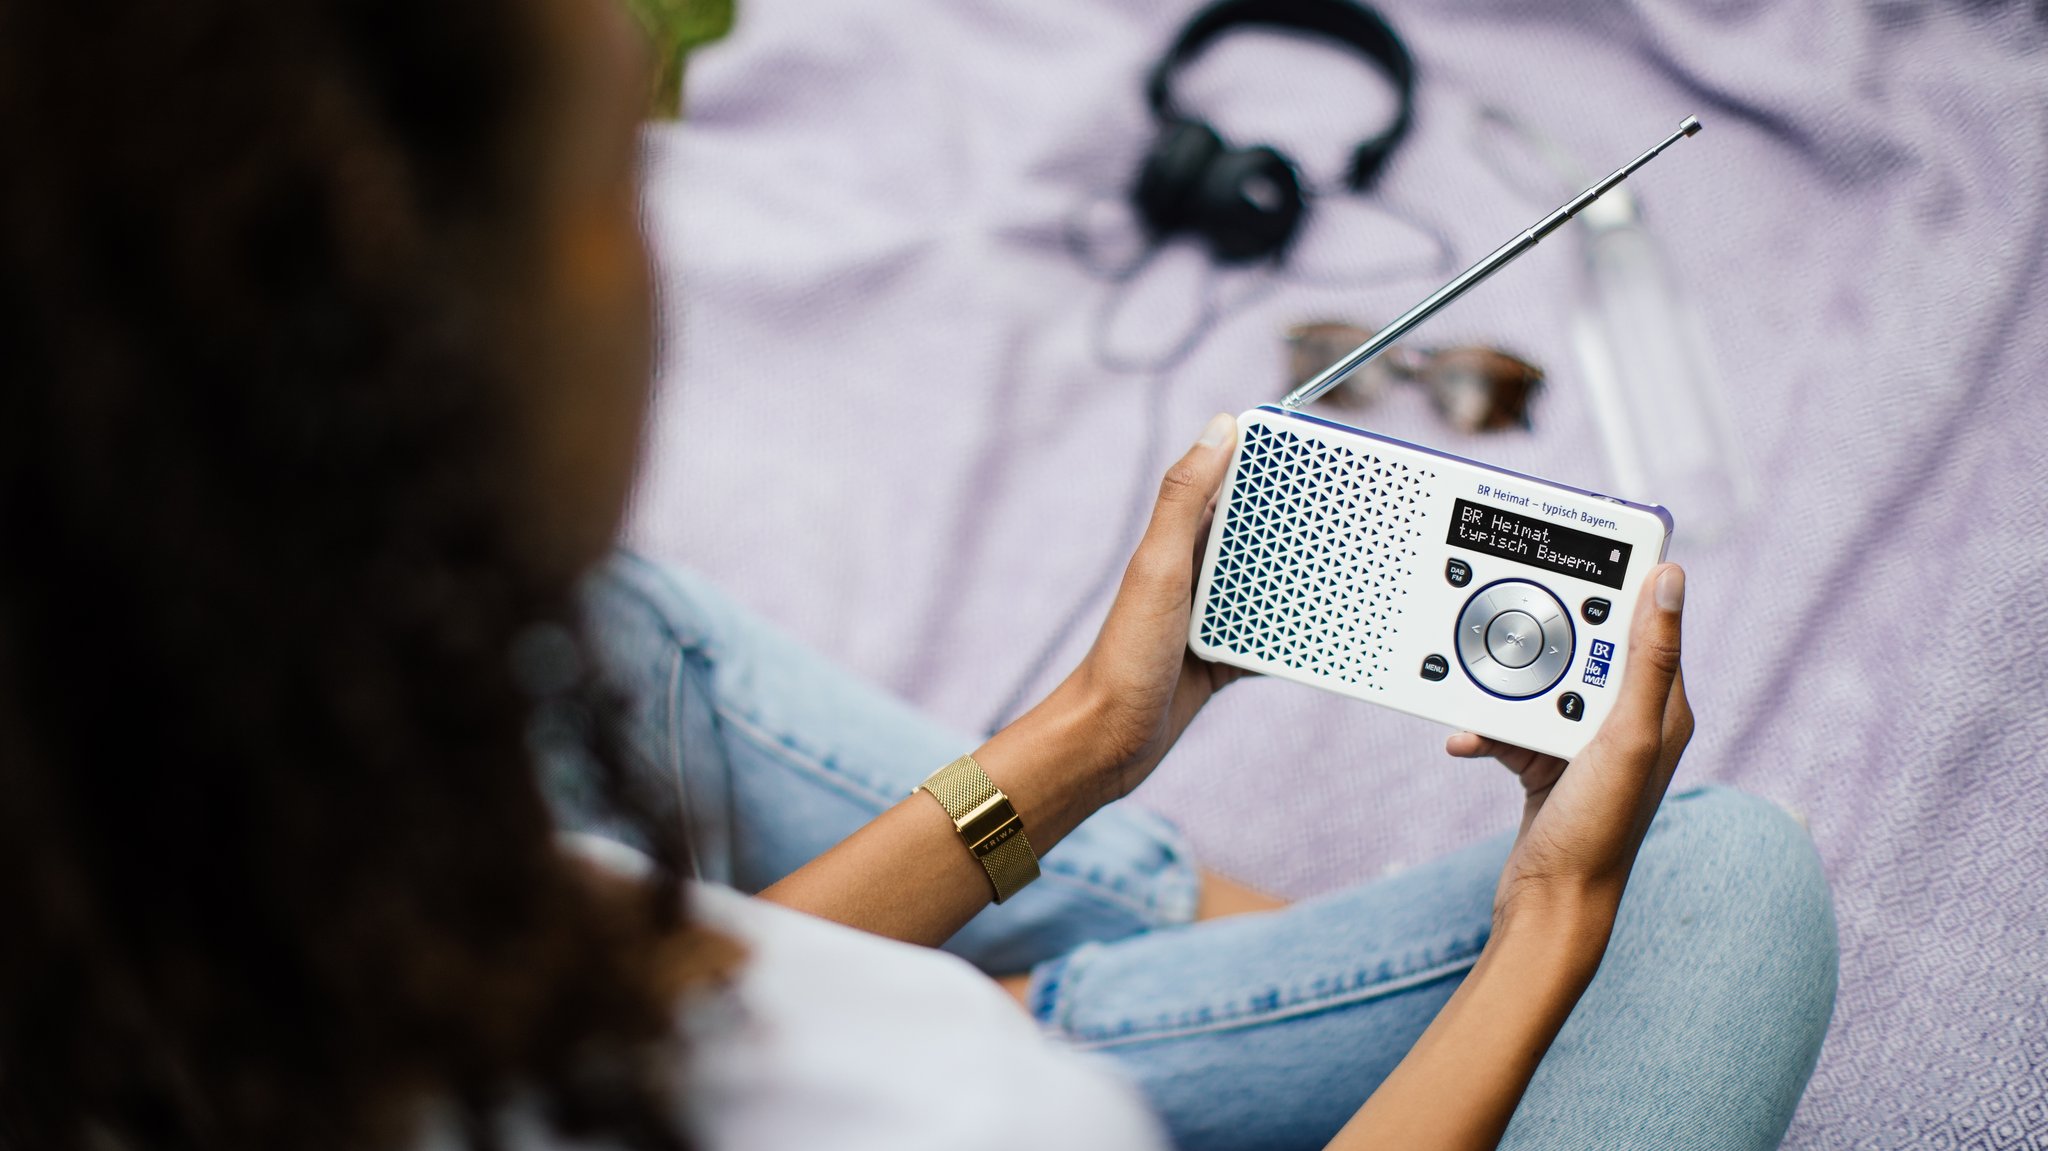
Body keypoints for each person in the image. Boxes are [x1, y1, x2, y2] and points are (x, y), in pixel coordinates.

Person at [0, 0, 1838, 1148]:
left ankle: (1113, 937)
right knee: (1729, 883)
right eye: (620, 172)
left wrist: (1088, 739)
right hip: (960, 1079)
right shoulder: (955, 1118)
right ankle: (1135, 983)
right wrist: (1550, 925)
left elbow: (611, 1030)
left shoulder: (150, 816)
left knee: (613, 643)